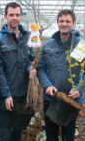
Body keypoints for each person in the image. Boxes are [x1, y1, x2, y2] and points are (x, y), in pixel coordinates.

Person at [37, 9, 85, 141]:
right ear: (57, 23)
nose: (64, 24)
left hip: (71, 100)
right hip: (50, 99)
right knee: (51, 136)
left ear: (73, 24)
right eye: (61, 21)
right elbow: (41, 69)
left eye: (68, 21)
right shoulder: (48, 46)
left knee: (68, 136)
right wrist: (47, 86)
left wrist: (79, 88)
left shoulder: (81, 45)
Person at [0, 2, 37, 141]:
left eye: (17, 14)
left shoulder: (28, 38)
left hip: (23, 93)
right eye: (11, 14)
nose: (14, 17)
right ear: (5, 16)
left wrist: (30, 69)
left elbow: (30, 60)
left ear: (21, 17)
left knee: (18, 131)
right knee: (5, 133)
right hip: (6, 94)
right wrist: (6, 94)